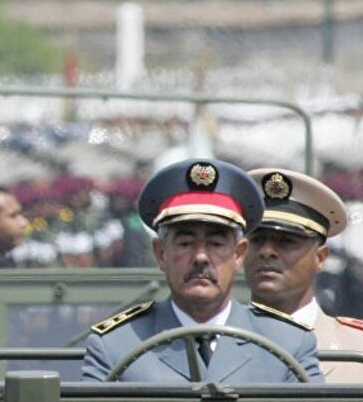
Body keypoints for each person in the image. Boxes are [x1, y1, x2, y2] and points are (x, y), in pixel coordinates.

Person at [82, 158, 323, 383]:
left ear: (239, 254)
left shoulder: (288, 345)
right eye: (185, 244)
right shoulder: (116, 345)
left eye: (216, 244)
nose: (200, 257)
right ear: (161, 253)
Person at [244, 168, 363, 383]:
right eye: (257, 240)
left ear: (320, 258)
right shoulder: (213, 340)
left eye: (286, 242)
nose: (267, 252)